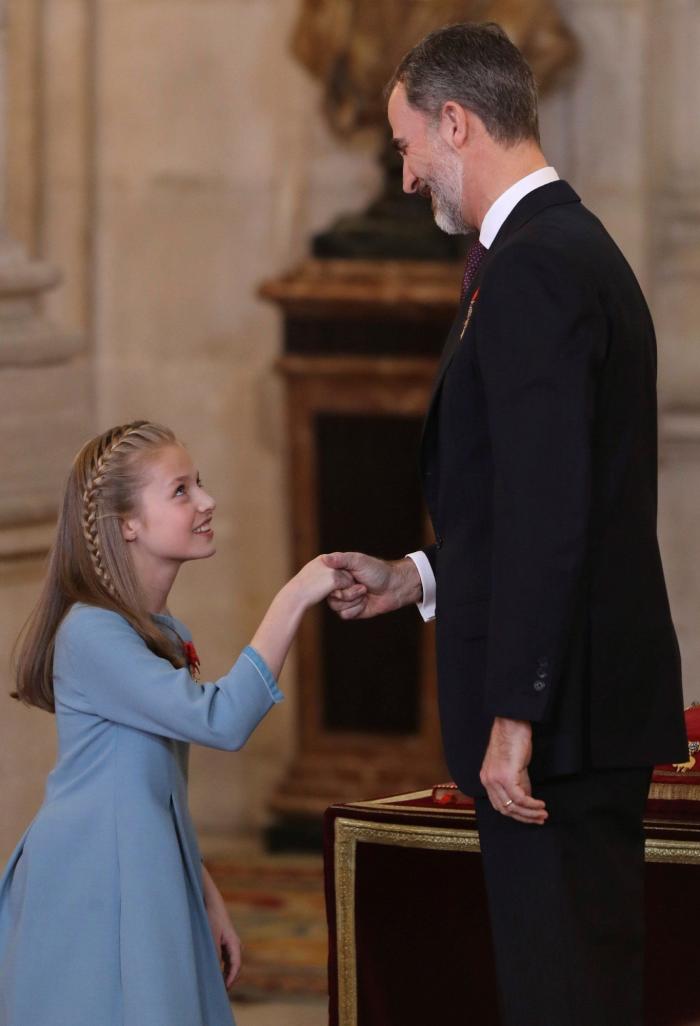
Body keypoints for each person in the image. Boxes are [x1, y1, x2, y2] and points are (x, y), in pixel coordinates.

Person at [325, 22, 687, 1026]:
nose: (403, 177)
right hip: (574, 710)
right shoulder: (554, 247)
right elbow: (532, 497)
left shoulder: (534, 265)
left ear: (455, 121)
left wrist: (513, 718)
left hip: (554, 725)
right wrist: (418, 578)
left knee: (562, 998)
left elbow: (551, 509)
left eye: (405, 145)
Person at [0, 420, 350, 1026]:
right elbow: (221, 720)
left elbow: (163, 788)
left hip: (147, 861)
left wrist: (204, 897)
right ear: (127, 524)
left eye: (200, 484)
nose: (207, 501)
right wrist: (291, 597)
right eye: (181, 490)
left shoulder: (166, 632)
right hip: (92, 873)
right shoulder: (90, 632)